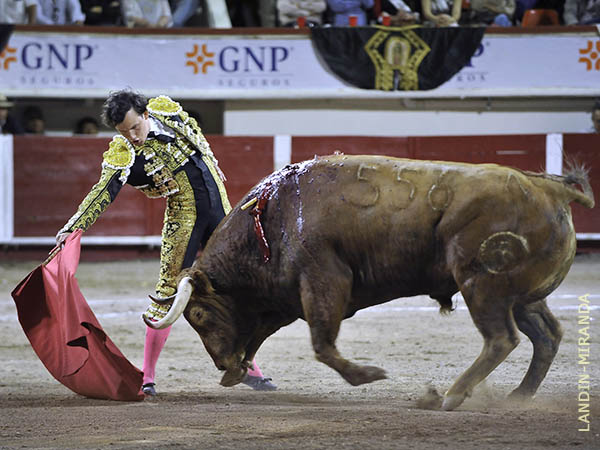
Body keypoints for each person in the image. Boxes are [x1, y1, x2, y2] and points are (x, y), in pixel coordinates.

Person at [55, 90, 277, 395]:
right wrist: (73, 227)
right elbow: (103, 192)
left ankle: (249, 368)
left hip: (221, 212)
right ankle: (147, 377)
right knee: (166, 297)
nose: (132, 137)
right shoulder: (123, 152)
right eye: (123, 132)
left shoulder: (166, 111)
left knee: (239, 291)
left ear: (146, 114)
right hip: (184, 221)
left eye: (135, 127)